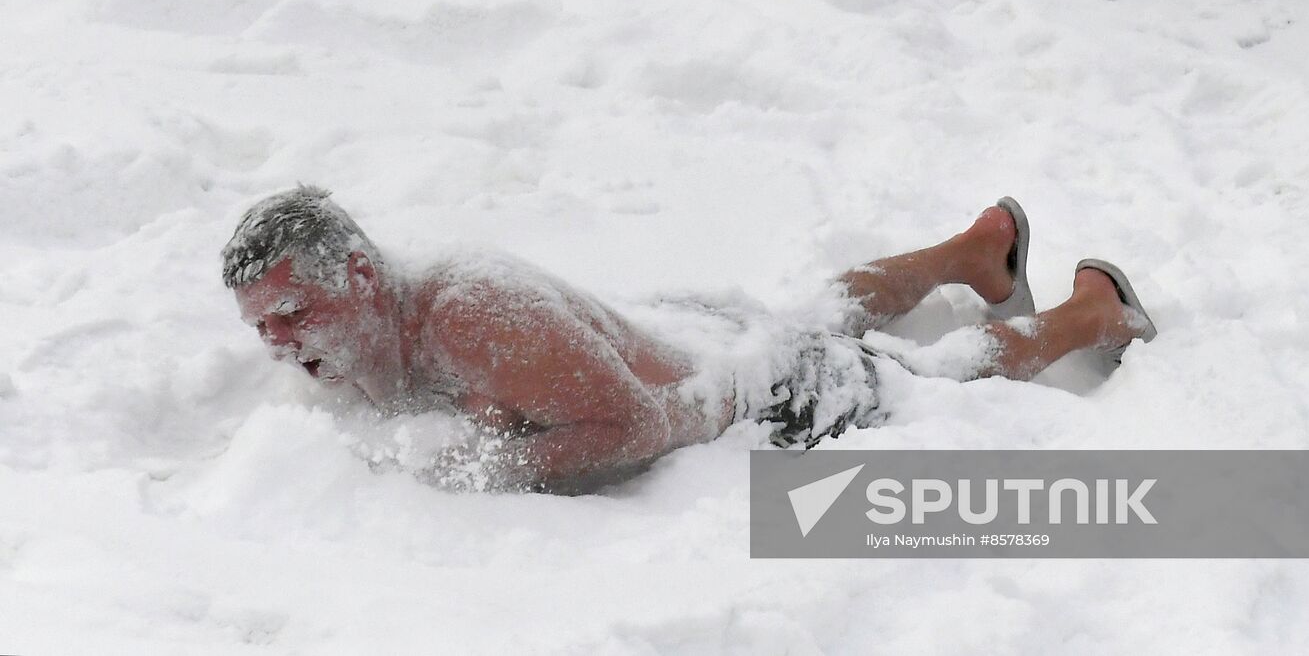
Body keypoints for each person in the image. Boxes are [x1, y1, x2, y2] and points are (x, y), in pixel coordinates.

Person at [222, 186, 1156, 492]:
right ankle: (976, 250)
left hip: (747, 384)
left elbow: (630, 428)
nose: (280, 342)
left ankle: (1093, 310)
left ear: (356, 276)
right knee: (812, 309)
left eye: (294, 315)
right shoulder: (378, 322)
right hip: (683, 327)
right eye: (264, 325)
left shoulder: (468, 317)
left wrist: (481, 465)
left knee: (915, 378)